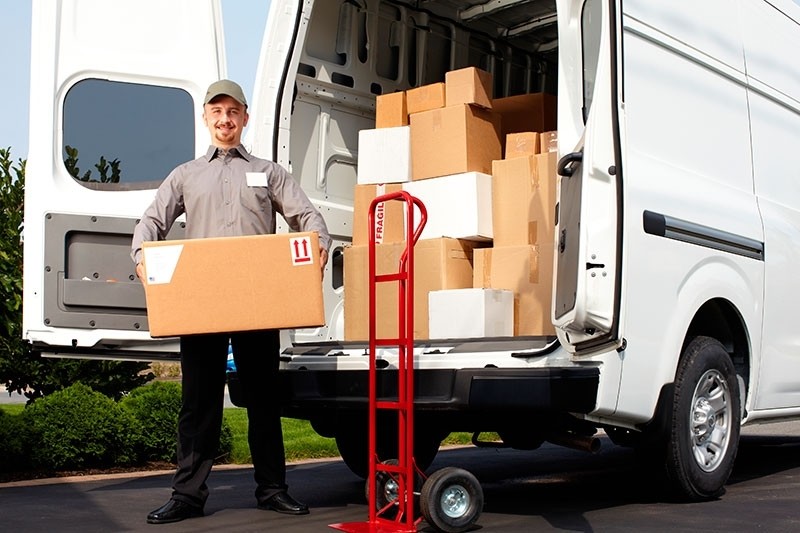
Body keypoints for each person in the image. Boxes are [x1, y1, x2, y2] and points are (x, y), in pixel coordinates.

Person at [131, 79, 331, 524]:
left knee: (263, 400)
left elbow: (306, 215)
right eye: (216, 111)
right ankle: (187, 495)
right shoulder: (185, 174)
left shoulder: (269, 172)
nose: (225, 120)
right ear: (206, 117)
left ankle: (272, 489)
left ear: (243, 116)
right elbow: (151, 221)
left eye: (233, 112)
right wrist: (142, 255)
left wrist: (319, 243)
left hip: (258, 302)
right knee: (198, 401)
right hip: (202, 305)